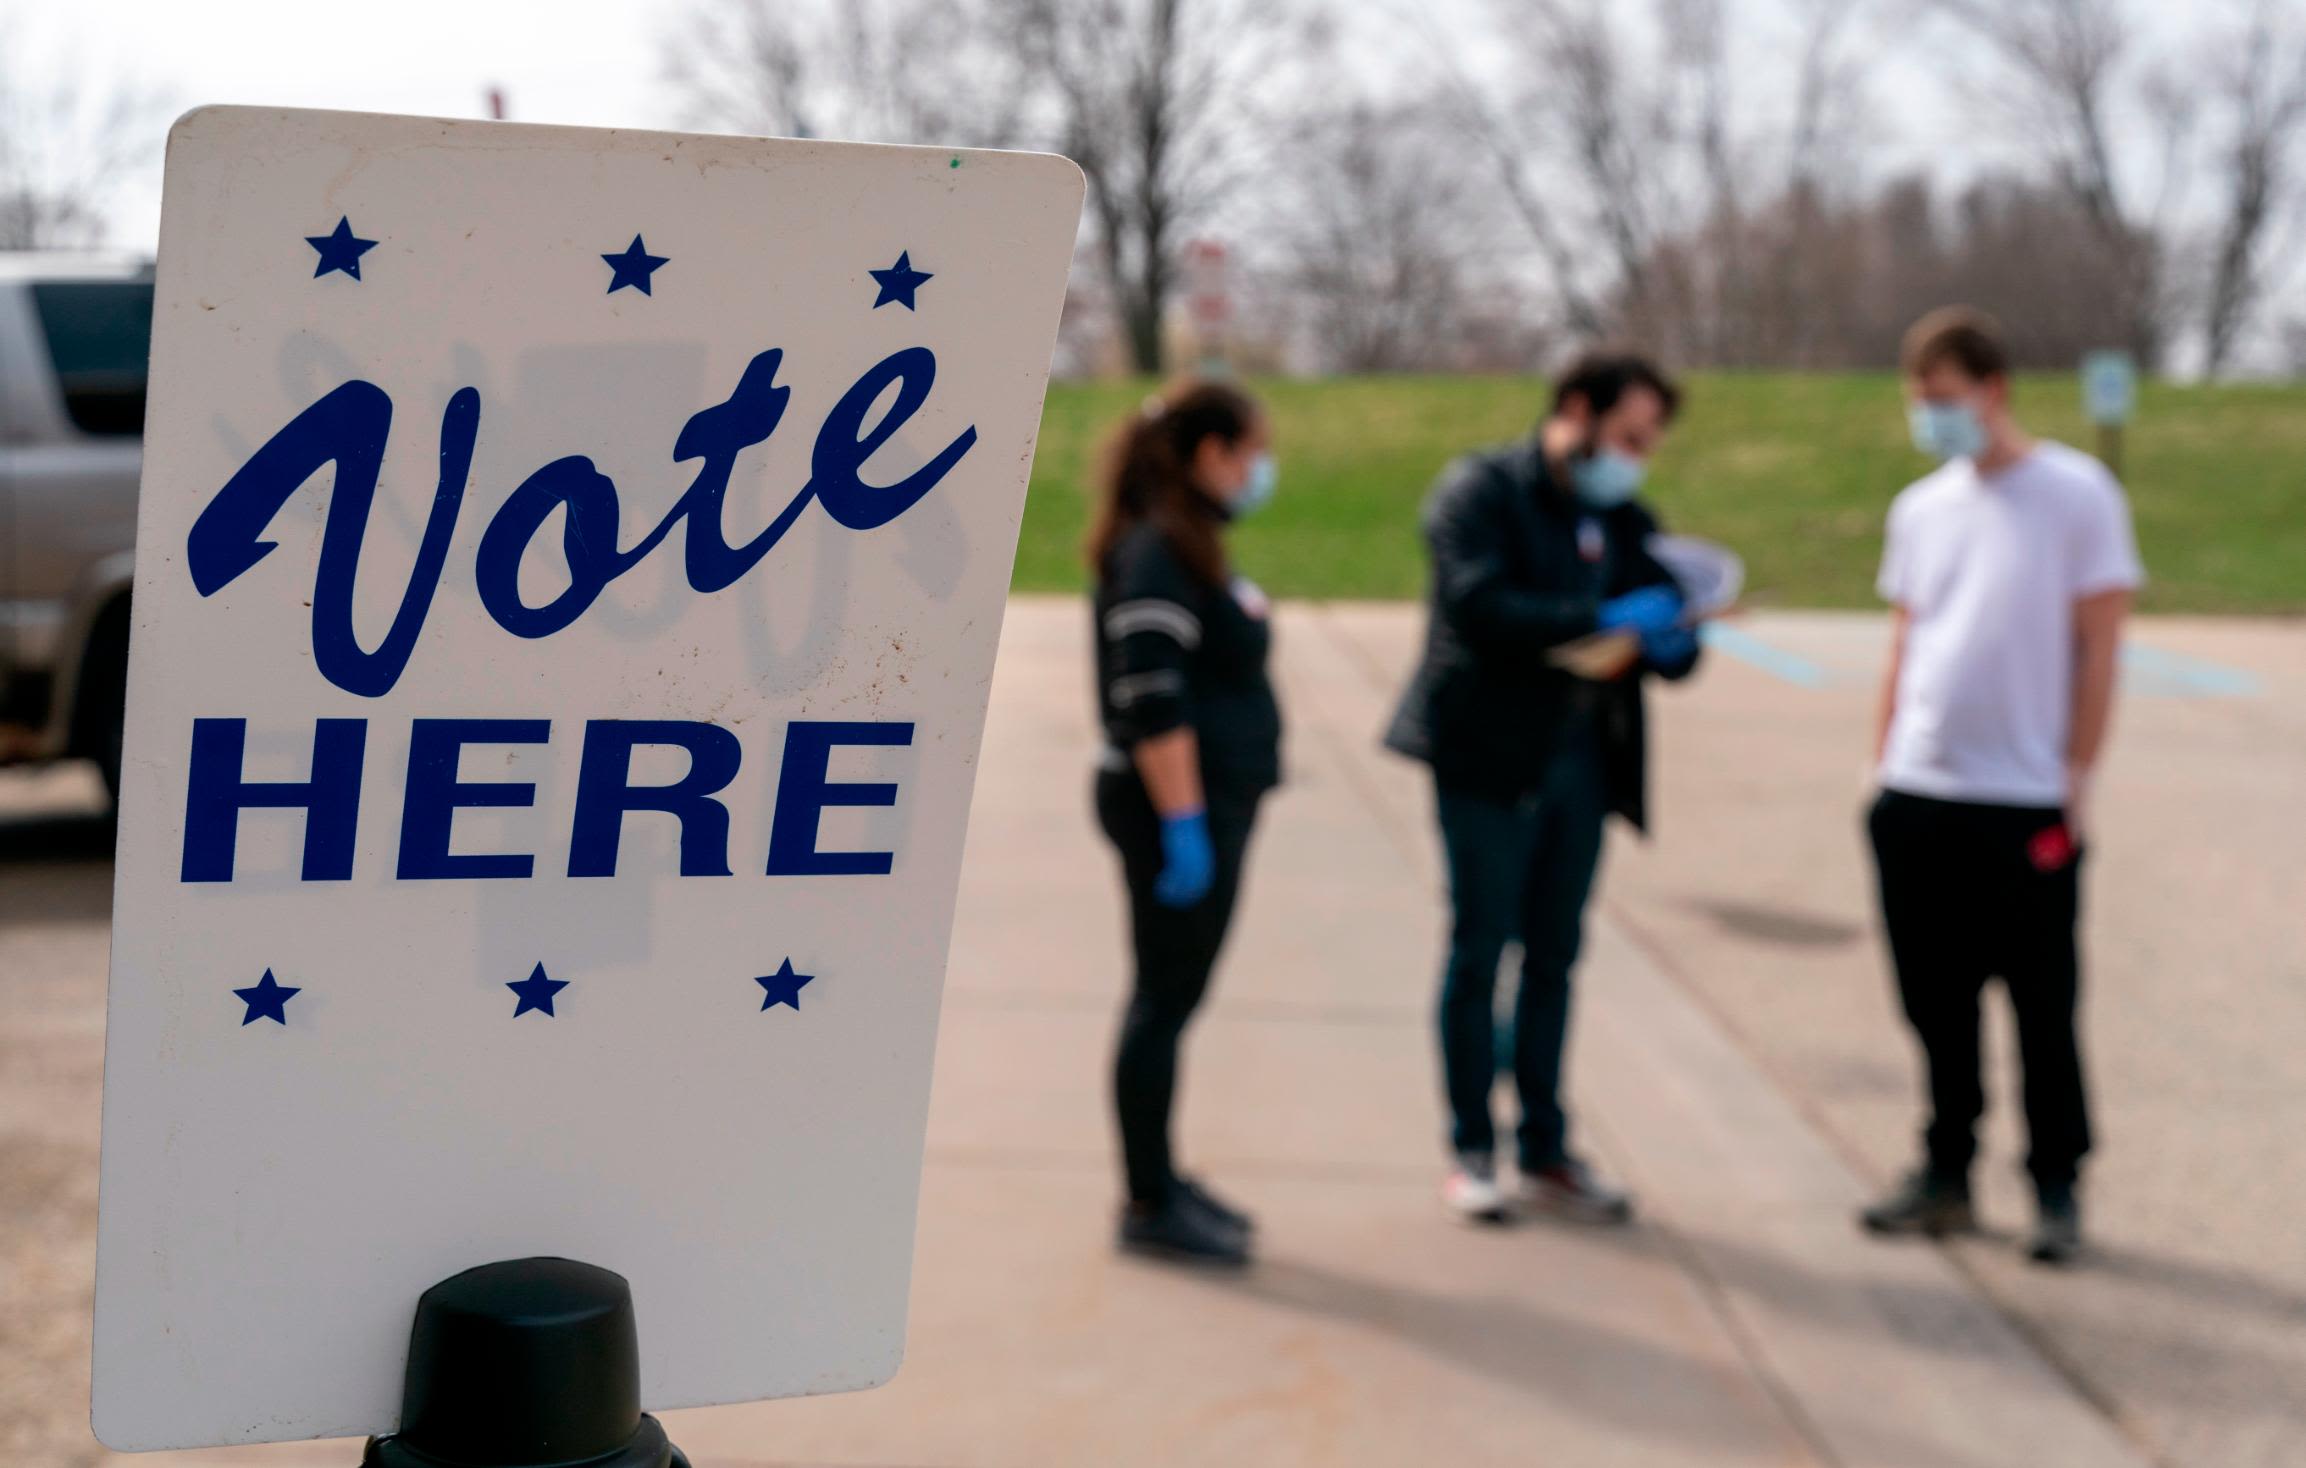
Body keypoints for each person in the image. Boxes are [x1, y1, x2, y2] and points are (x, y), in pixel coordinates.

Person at [1384, 354, 1702, 1226]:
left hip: (1582, 766)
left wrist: (1677, 637)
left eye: (1648, 445)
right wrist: (1595, 619)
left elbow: (1667, 606)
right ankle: (1471, 1146)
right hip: (1487, 760)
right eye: (1629, 437)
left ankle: (1547, 1145)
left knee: (1555, 957)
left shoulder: (1624, 518)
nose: (1636, 459)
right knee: (1480, 949)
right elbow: (1477, 603)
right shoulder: (1480, 492)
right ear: (1576, 410)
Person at [1859, 308, 2141, 1266]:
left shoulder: (2076, 494)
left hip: (2023, 797)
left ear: (1994, 391)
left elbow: (2101, 647)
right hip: (1918, 792)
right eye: (1920, 403)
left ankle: (2055, 1184)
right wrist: (1882, 759)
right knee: (1933, 1002)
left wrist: (2078, 775)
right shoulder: (1921, 508)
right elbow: (1909, 642)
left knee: (2040, 1004)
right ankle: (1946, 1172)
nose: (1933, 418)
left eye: (1944, 399)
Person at [1090, 380, 1282, 1267]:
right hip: (1175, 811)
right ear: (1211, 453)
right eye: (1251, 450)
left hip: (1203, 806)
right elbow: (1150, 697)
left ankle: (1161, 1176)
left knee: (1173, 1001)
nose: (1259, 468)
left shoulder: (1189, 543)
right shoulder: (1160, 549)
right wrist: (1186, 824)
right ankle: (1147, 1200)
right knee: (1161, 1004)